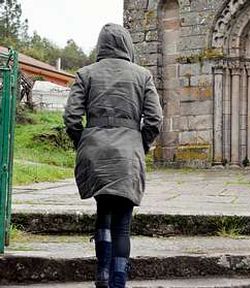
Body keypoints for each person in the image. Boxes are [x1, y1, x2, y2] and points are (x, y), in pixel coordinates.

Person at [63, 23, 163, 288]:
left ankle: (102, 275)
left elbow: (71, 118)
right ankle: (118, 281)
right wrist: (140, 144)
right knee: (122, 223)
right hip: (128, 154)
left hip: (94, 153)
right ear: (127, 45)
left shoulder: (85, 74)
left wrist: (84, 142)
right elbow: (154, 119)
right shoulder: (143, 76)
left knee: (103, 210)